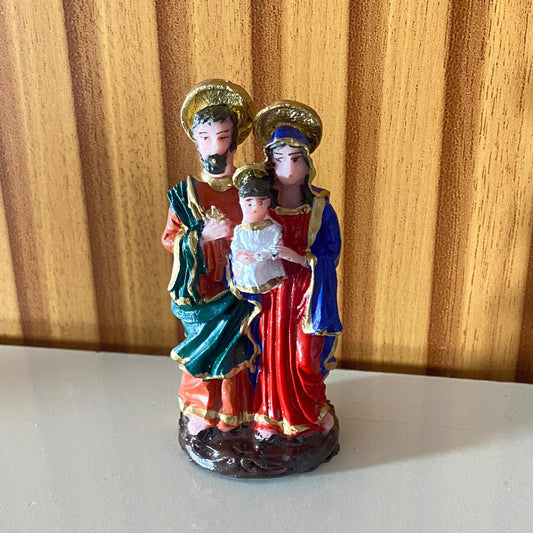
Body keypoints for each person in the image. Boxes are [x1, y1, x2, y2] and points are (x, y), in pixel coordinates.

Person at [161, 80, 258, 436]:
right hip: (202, 291)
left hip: (239, 289)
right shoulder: (185, 194)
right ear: (195, 141)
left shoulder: (250, 189)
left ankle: (233, 411)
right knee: (203, 350)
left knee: (236, 350)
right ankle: (202, 407)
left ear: (234, 141)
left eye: (222, 137)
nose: (214, 147)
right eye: (205, 137)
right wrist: (201, 237)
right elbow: (170, 239)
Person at [251, 101, 343, 439]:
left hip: (307, 294)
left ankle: (311, 413)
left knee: (305, 359)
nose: (287, 169)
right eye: (278, 160)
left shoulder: (320, 207)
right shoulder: (261, 205)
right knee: (270, 355)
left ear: (307, 164)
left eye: (294, 159)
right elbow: (244, 239)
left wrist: (302, 258)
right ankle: (270, 417)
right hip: (273, 296)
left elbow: (331, 253)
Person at [230, 164, 285, 294]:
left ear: (268, 201)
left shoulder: (272, 229)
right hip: (245, 272)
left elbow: (276, 248)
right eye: (249, 202)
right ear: (241, 202)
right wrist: (240, 255)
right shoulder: (240, 230)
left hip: (266, 270)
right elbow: (236, 246)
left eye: (260, 201)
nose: (255, 206)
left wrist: (260, 256)